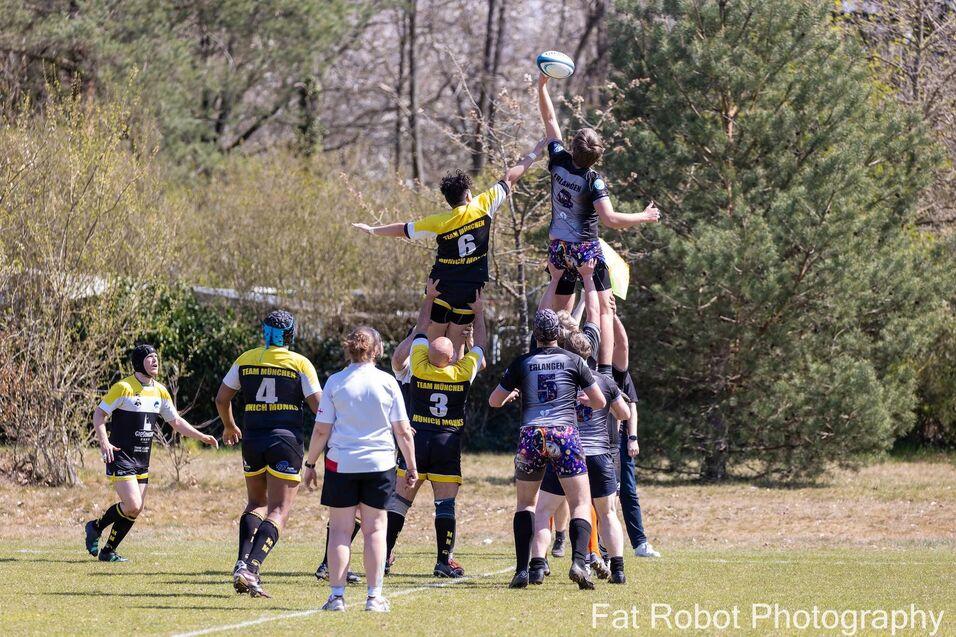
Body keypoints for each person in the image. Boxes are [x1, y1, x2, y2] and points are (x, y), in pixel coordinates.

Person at [351, 139, 545, 353]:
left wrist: (372, 229)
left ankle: (420, 380)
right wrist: (534, 153)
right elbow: (510, 177)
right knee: (454, 350)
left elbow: (403, 230)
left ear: (448, 200)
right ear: (469, 194)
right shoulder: (483, 205)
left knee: (433, 347)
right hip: (470, 290)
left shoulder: (440, 221)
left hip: (441, 289)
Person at [536, 73, 660, 367]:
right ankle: (603, 369)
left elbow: (551, 121)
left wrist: (541, 87)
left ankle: (555, 358)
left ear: (574, 147)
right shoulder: (593, 180)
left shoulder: (559, 160)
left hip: (559, 248)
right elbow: (610, 219)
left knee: (561, 312)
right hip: (584, 248)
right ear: (596, 155)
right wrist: (644, 215)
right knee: (603, 309)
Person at [489, 309, 606, 590]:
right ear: (559, 334)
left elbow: (494, 400)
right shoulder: (574, 360)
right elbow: (600, 401)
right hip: (564, 433)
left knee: (526, 504)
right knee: (579, 502)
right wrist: (581, 399)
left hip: (531, 434)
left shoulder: (523, 362)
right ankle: (579, 562)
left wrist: (511, 395)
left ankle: (522, 570)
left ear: (535, 334)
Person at [302, 326, 417, 613]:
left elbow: (320, 430)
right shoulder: (387, 382)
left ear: (349, 349)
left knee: (340, 531)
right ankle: (373, 597)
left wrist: (310, 463)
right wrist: (412, 465)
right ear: (377, 350)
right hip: (380, 464)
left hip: (342, 464)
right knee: (375, 530)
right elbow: (403, 431)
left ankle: (337, 597)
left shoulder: (335, 382)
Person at [215, 311, 322, 598]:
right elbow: (319, 407)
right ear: (290, 334)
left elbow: (222, 398)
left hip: (252, 439)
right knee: (278, 510)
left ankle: (241, 563)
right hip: (285, 441)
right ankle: (251, 568)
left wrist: (229, 425)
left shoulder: (246, 359)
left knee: (255, 503)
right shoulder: (299, 363)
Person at [386, 288, 487, 579]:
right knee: (445, 504)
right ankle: (443, 561)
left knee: (400, 502)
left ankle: (383, 557)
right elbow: (480, 344)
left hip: (417, 441)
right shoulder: (461, 372)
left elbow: (420, 330)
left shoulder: (418, 367)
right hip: (447, 441)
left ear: (428, 352)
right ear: (454, 355)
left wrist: (429, 298)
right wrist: (479, 312)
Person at [85, 344, 218, 562]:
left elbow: (175, 421)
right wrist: (104, 442)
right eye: (150, 358)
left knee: (135, 510)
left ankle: (108, 551)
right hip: (120, 456)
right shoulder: (123, 387)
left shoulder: (160, 390)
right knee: (133, 505)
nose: (155, 361)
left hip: (141, 460)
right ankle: (95, 527)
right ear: (139, 362)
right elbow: (99, 414)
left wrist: (201, 436)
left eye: (157, 357)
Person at [528, 330, 631, 585]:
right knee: (607, 513)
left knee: (543, 510)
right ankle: (617, 569)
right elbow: (625, 413)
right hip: (599, 455)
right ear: (590, 354)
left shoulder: (560, 381)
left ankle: (538, 565)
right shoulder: (604, 382)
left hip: (567, 455)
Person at [611, 312, 660, 558]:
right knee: (602, 495)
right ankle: (597, 548)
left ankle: (640, 543)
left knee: (628, 492)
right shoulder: (585, 366)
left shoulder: (619, 372)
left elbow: (632, 406)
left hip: (619, 438)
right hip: (596, 440)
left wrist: (633, 437)